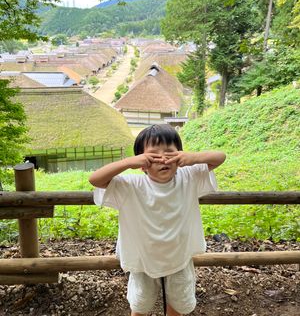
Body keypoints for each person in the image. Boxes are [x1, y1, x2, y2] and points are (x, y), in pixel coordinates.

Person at [89, 124, 226, 316]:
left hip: (179, 257)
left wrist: (194, 157)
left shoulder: (188, 177)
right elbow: (95, 179)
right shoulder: (131, 185)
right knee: (140, 307)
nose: (163, 159)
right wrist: (128, 162)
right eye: (153, 155)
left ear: (179, 156)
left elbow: (220, 157)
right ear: (142, 162)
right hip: (143, 260)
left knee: (177, 306)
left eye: (170, 153)